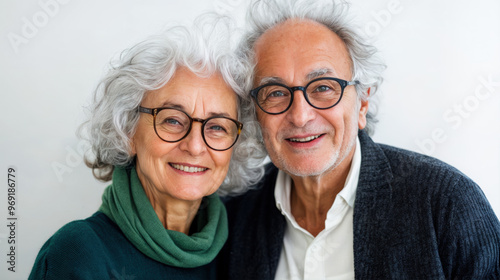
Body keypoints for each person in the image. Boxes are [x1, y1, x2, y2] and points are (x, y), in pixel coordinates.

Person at [220, 0, 500, 279]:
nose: (301, 116)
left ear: (362, 103)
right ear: (254, 112)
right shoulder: (235, 213)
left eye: (323, 87)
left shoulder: (447, 204)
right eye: (275, 92)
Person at [29, 15, 265, 280]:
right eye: (173, 120)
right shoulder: (78, 253)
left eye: (217, 127)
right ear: (128, 131)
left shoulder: (245, 249)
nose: (196, 146)